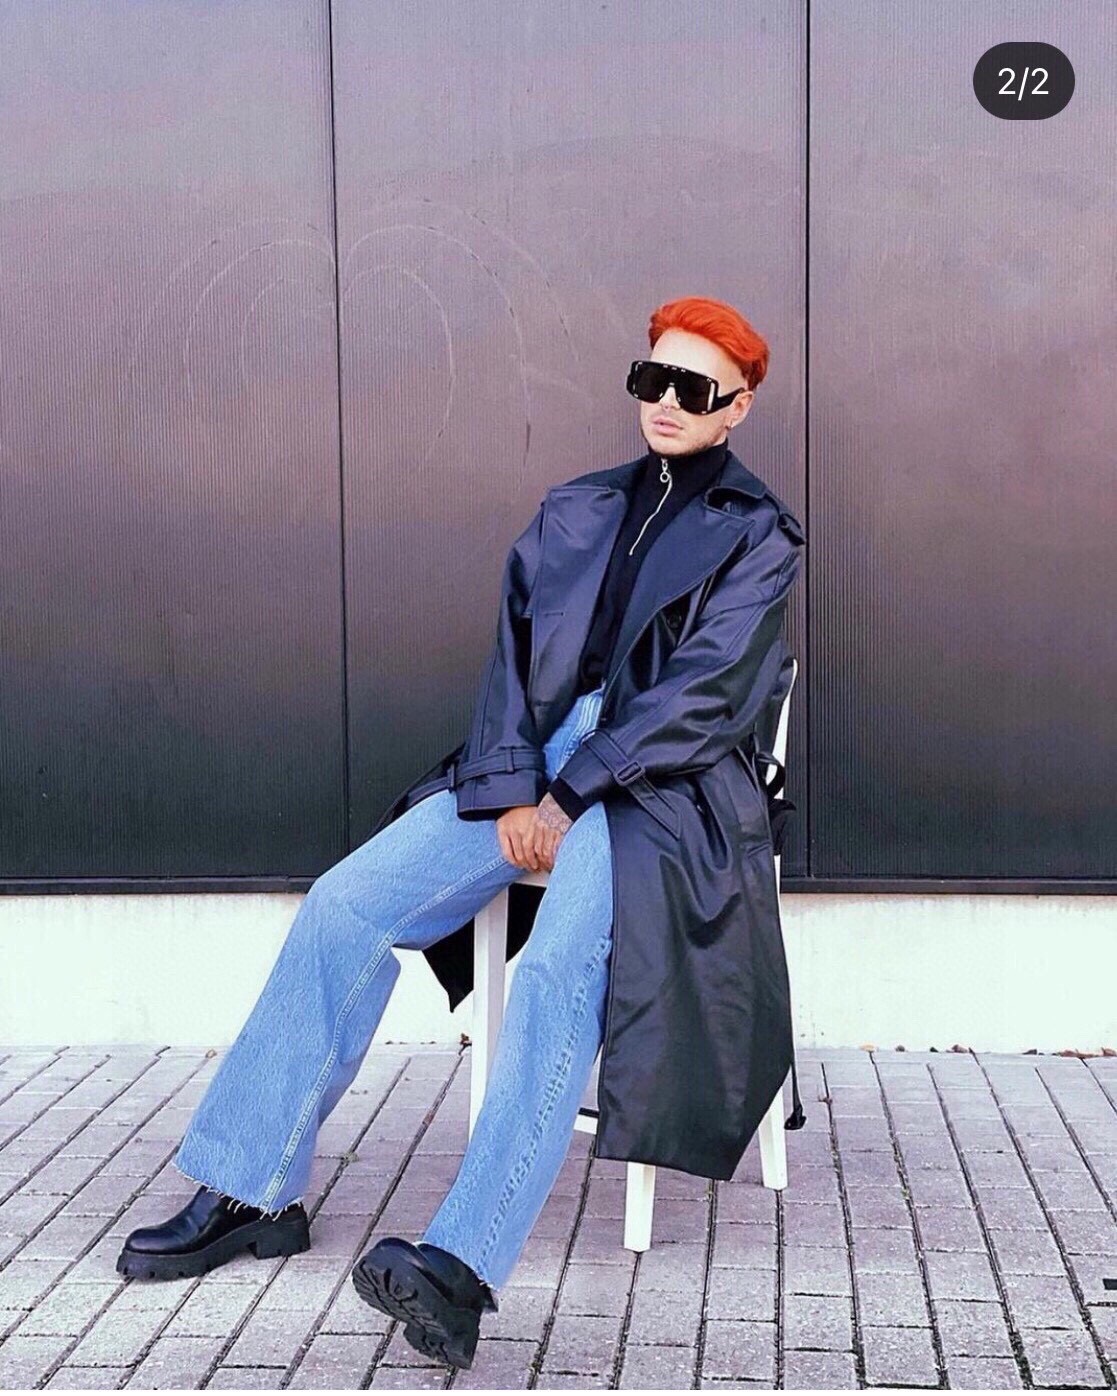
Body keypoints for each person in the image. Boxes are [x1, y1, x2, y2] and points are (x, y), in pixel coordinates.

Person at [115, 295, 804, 1371]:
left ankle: (460, 1268)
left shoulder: (760, 534)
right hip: (533, 763)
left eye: (693, 388)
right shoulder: (575, 507)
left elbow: (704, 697)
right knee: (345, 903)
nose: (665, 402)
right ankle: (250, 1187)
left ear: (737, 406)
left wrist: (569, 796)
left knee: (560, 966)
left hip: (660, 789)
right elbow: (509, 670)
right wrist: (516, 784)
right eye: (650, 378)